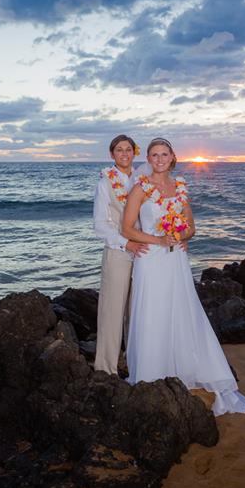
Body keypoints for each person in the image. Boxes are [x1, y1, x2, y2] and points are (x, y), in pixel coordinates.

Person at [120, 137, 245, 416]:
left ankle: (185, 366)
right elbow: (127, 229)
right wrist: (158, 240)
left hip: (176, 258)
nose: (159, 159)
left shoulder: (179, 188)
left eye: (164, 154)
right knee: (152, 312)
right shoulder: (140, 188)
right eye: (154, 154)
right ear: (148, 158)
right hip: (151, 259)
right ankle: (151, 372)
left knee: (182, 309)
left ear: (172, 157)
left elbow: (191, 226)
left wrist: (181, 235)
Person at [92, 135, 149, 375]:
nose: (124, 154)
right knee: (112, 311)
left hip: (144, 252)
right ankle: (105, 368)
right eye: (119, 150)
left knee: (136, 310)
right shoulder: (106, 183)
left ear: (134, 153)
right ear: (112, 154)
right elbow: (100, 225)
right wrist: (126, 243)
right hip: (118, 251)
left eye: (128, 149)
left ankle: (133, 362)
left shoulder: (142, 179)